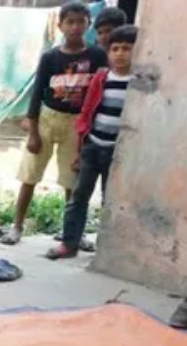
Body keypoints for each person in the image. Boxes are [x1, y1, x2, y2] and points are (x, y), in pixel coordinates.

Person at [2, 1, 107, 246]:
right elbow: (37, 93)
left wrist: (89, 132)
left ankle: (71, 233)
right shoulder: (50, 57)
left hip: (78, 125)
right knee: (30, 175)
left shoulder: (97, 55)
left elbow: (101, 92)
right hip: (48, 119)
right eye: (69, 22)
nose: (75, 27)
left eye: (81, 21)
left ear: (88, 24)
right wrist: (33, 133)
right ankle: (16, 226)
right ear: (60, 25)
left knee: (72, 180)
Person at [46, 26, 137, 261]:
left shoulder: (137, 83)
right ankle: (69, 244)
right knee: (78, 198)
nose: (119, 54)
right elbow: (86, 113)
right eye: (115, 48)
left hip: (118, 153)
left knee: (111, 201)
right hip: (92, 146)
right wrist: (80, 150)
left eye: (126, 49)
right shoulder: (101, 78)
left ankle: (106, 250)